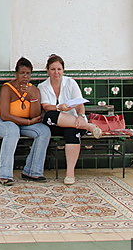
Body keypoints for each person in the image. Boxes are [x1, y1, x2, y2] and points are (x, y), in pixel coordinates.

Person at [38, 54, 102, 185]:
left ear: (63, 70)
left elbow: (80, 104)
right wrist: (59, 107)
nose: (56, 72)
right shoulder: (42, 86)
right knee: (50, 115)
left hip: (74, 123)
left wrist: (79, 116)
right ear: (47, 70)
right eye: (53, 69)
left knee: (72, 131)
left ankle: (70, 174)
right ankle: (88, 126)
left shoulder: (70, 83)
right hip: (54, 125)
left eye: (59, 69)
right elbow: (45, 106)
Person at [0, 57, 51, 185]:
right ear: (16, 74)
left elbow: (34, 115)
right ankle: (5, 175)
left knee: (44, 131)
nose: (25, 76)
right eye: (22, 73)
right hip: (2, 123)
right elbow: (5, 115)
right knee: (12, 130)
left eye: (28, 73)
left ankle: (32, 171)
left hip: (22, 123)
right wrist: (28, 123)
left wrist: (34, 97)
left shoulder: (33, 90)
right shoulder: (7, 88)